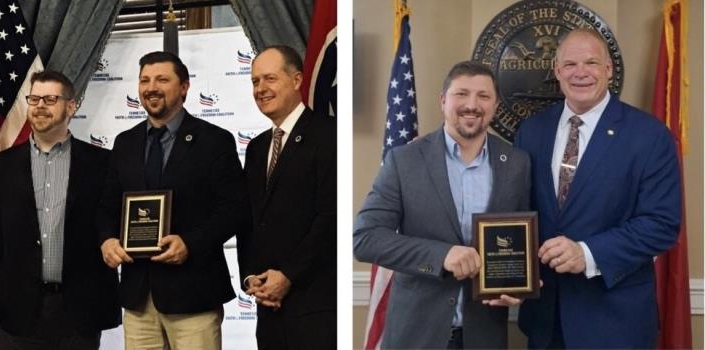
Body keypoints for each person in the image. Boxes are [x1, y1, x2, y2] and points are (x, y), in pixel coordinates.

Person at [514, 28, 681, 349]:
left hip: (615, 321)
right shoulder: (532, 131)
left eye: (591, 62)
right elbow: (520, 211)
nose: (581, 73)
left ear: (608, 70)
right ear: (557, 71)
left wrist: (587, 253)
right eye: (571, 64)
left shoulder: (649, 136)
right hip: (545, 319)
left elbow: (662, 226)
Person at [354, 61, 531, 349]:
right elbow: (365, 238)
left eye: (483, 96)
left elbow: (520, 240)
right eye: (461, 94)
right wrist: (441, 255)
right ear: (443, 100)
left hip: (483, 336)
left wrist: (519, 285)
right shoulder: (404, 161)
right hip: (416, 336)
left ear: (496, 105)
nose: (472, 105)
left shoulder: (517, 163)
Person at [97, 51, 250, 350]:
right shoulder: (124, 143)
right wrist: (106, 241)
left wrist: (190, 243)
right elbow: (106, 207)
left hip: (194, 294)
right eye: (144, 80)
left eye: (162, 79)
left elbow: (235, 210)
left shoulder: (214, 140)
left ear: (184, 87)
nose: (151, 87)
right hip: (138, 297)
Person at [0, 71, 120, 349]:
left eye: (50, 99)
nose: (40, 106)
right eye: (34, 99)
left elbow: (111, 222)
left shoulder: (103, 164)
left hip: (80, 311)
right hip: (17, 310)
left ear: (71, 106)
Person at [240, 45, 336, 350]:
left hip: (315, 306)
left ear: (296, 80)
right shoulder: (256, 148)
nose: (261, 89)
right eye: (255, 81)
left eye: (270, 78)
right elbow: (251, 219)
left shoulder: (329, 135)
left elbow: (329, 217)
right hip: (268, 307)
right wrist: (250, 275)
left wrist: (289, 276)